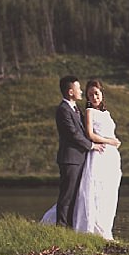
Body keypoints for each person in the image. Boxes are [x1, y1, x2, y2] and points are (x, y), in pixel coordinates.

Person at [74, 79, 123, 240]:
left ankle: (105, 227)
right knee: (95, 191)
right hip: (99, 153)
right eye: (90, 95)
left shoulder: (106, 113)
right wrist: (110, 141)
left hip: (111, 156)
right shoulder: (89, 112)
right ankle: (93, 228)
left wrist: (114, 142)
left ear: (101, 94)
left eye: (96, 93)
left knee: (108, 193)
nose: (94, 97)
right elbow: (90, 135)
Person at [51, 75, 101, 229]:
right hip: (70, 159)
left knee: (75, 196)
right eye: (78, 89)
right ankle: (61, 227)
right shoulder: (63, 110)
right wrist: (91, 145)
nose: (81, 91)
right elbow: (73, 134)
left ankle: (70, 227)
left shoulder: (75, 109)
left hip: (79, 159)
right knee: (67, 195)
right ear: (71, 92)